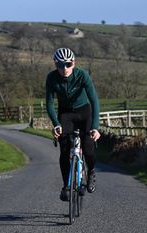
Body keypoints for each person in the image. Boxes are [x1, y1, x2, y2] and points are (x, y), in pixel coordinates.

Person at [45, 48, 101, 201]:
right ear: (56, 64)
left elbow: (95, 101)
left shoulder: (82, 75)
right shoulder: (51, 78)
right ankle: (66, 186)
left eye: (68, 64)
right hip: (66, 114)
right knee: (64, 150)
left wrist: (95, 127)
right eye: (61, 65)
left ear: (73, 63)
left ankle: (90, 172)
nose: (65, 69)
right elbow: (49, 104)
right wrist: (56, 124)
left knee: (89, 148)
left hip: (84, 112)